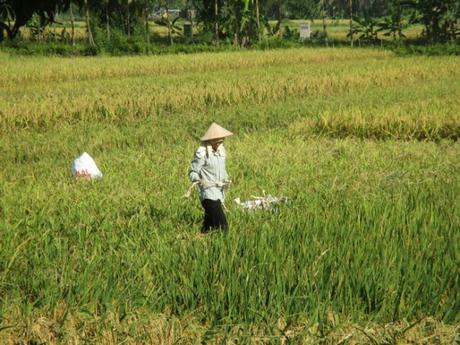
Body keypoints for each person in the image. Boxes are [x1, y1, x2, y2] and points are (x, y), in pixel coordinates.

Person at [189, 122, 233, 233]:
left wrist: (226, 179)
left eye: (221, 141)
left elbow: (223, 170)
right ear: (210, 141)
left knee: (209, 226)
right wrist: (197, 179)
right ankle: (224, 242)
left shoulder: (221, 153)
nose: (219, 144)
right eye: (217, 142)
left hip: (219, 192)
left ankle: (202, 238)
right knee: (223, 226)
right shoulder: (202, 154)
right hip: (208, 193)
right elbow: (193, 171)